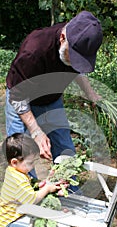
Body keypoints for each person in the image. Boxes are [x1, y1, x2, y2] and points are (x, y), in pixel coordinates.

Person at [6, 10, 103, 163]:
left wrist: (90, 93)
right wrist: (36, 131)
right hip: (22, 97)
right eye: (75, 58)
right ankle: (25, 186)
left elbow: (77, 70)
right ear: (63, 38)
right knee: (21, 153)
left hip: (51, 99)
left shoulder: (77, 39)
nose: (76, 64)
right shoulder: (34, 51)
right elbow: (18, 97)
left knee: (65, 149)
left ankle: (69, 185)